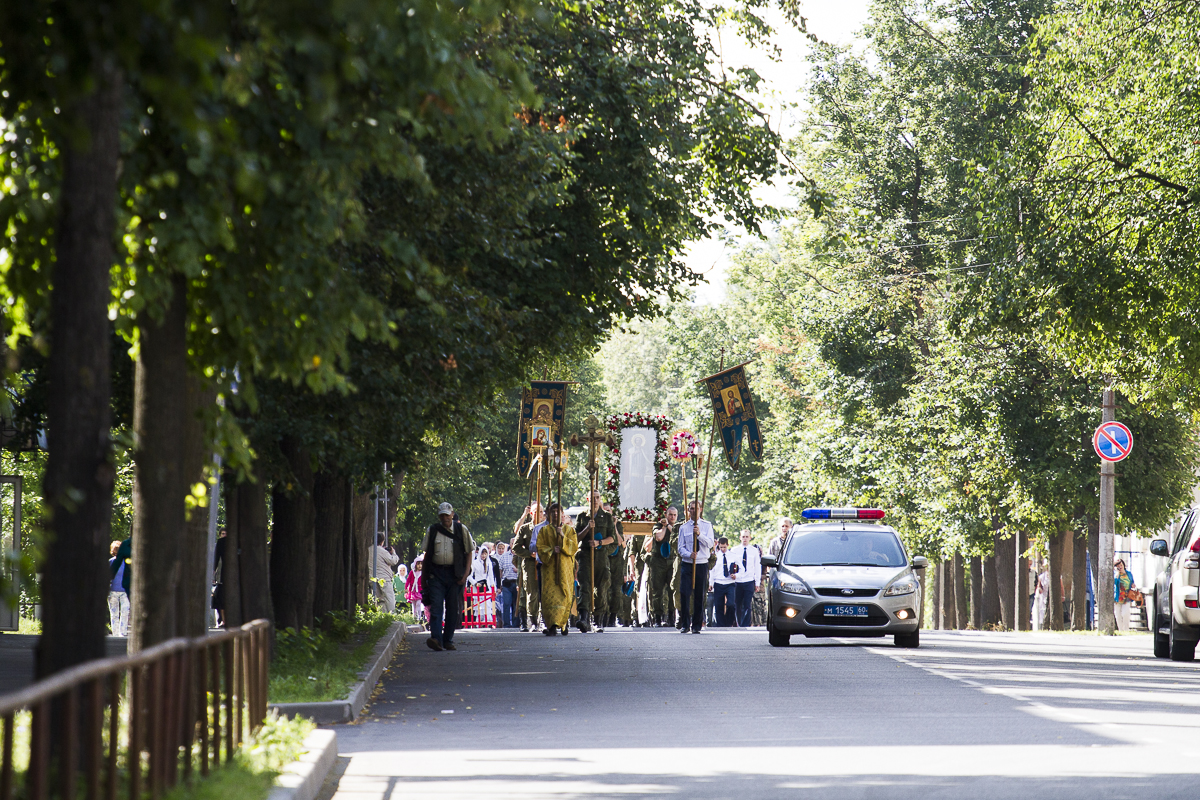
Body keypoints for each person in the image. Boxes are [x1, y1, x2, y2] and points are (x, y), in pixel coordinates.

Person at [420, 502, 476, 651]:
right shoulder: (432, 530)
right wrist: (424, 579)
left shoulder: (461, 529)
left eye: (447, 514)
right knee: (436, 607)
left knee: (452, 609)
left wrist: (465, 575)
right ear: (439, 516)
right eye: (442, 515)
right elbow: (426, 556)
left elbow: (469, 551)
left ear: (452, 514)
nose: (445, 517)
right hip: (436, 574)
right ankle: (436, 639)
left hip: (454, 574)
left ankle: (448, 640)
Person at [575, 490, 621, 633]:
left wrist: (599, 542)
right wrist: (588, 527)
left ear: (600, 499)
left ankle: (598, 621)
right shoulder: (582, 516)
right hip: (585, 556)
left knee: (601, 588)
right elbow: (576, 537)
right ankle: (584, 618)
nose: (595, 500)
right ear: (587, 499)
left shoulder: (606, 517)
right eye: (592, 498)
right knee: (585, 587)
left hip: (601, 556)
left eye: (597, 498)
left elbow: (612, 538)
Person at [535, 502, 579, 636]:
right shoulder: (544, 531)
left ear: (562, 514)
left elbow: (574, 547)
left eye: (557, 512)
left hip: (565, 569)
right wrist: (551, 551)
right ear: (548, 514)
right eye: (552, 512)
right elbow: (540, 548)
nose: (555, 514)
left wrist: (562, 536)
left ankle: (564, 624)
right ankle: (552, 625)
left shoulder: (569, 530)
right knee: (549, 596)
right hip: (549, 570)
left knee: (565, 594)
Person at [676, 500, 714, 634]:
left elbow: (710, 544)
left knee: (700, 594)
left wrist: (699, 534)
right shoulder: (684, 527)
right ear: (688, 510)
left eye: (695, 509)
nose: (693, 511)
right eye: (691, 509)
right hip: (688, 563)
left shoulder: (707, 525)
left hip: (701, 563)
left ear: (700, 509)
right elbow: (680, 548)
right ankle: (685, 624)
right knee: (685, 593)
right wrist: (689, 554)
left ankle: (697, 625)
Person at [512, 503, 543, 631]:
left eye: (541, 512)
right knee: (532, 593)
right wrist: (529, 554)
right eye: (536, 512)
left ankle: (545, 620)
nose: (539, 514)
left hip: (544, 564)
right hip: (530, 565)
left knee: (544, 592)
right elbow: (516, 548)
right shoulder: (524, 529)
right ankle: (533, 620)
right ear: (531, 514)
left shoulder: (546, 528)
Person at [646, 507, 677, 626]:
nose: (672, 517)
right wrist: (664, 526)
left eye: (674, 515)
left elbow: (676, 535)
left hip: (671, 561)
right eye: (670, 515)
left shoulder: (677, 527)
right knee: (657, 591)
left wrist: (669, 526)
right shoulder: (658, 526)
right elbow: (658, 537)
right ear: (665, 514)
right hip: (658, 562)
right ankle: (657, 618)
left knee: (672, 590)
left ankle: (671, 617)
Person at [727, 530, 762, 627]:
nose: (745, 539)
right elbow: (730, 564)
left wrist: (757, 582)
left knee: (747, 605)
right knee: (737, 604)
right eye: (743, 537)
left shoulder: (754, 551)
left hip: (749, 580)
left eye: (747, 537)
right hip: (737, 581)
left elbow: (757, 566)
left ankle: (745, 624)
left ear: (750, 538)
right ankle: (739, 623)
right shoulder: (734, 550)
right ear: (740, 537)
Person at [709, 537, 736, 627]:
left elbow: (740, 568)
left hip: (729, 583)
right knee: (718, 605)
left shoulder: (733, 555)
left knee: (731, 604)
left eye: (724, 547)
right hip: (719, 582)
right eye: (721, 547)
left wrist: (736, 575)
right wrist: (711, 583)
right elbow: (712, 570)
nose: (723, 549)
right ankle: (721, 625)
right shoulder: (716, 556)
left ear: (727, 545)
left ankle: (729, 623)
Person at [373, 533, 400, 613]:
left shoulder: (369, 549)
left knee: (379, 599)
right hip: (384, 578)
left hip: (373, 578)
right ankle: (392, 616)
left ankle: (382, 616)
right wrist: (393, 553)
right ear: (382, 541)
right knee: (389, 598)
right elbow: (393, 561)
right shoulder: (382, 551)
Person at [107, 540, 129, 636]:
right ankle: (116, 634)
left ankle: (122, 633)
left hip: (125, 591)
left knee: (125, 612)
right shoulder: (110, 562)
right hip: (113, 592)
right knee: (114, 614)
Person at [495, 541, 519, 628]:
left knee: (516, 605)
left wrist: (518, 570)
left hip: (517, 583)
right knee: (506, 603)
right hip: (506, 583)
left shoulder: (520, 556)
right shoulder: (504, 556)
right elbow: (500, 571)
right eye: (512, 543)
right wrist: (499, 584)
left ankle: (516, 624)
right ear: (510, 545)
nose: (514, 544)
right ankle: (507, 624)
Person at [1114, 557, 1141, 632]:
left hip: (1127, 596)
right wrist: (1117, 574)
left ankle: (1126, 629)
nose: (1120, 566)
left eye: (1121, 564)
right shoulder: (1115, 574)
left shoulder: (1128, 573)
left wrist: (1133, 585)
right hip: (1118, 597)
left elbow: (1132, 582)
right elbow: (1115, 583)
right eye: (1118, 566)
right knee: (1118, 615)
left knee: (1125, 613)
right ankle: (1120, 629)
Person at [406, 557, 426, 623]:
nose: (420, 565)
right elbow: (408, 580)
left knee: (418, 604)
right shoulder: (412, 572)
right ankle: (414, 617)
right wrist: (406, 587)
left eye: (421, 564)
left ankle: (418, 617)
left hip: (419, 591)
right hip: (413, 591)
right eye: (418, 564)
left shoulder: (423, 573)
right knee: (413, 604)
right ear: (415, 565)